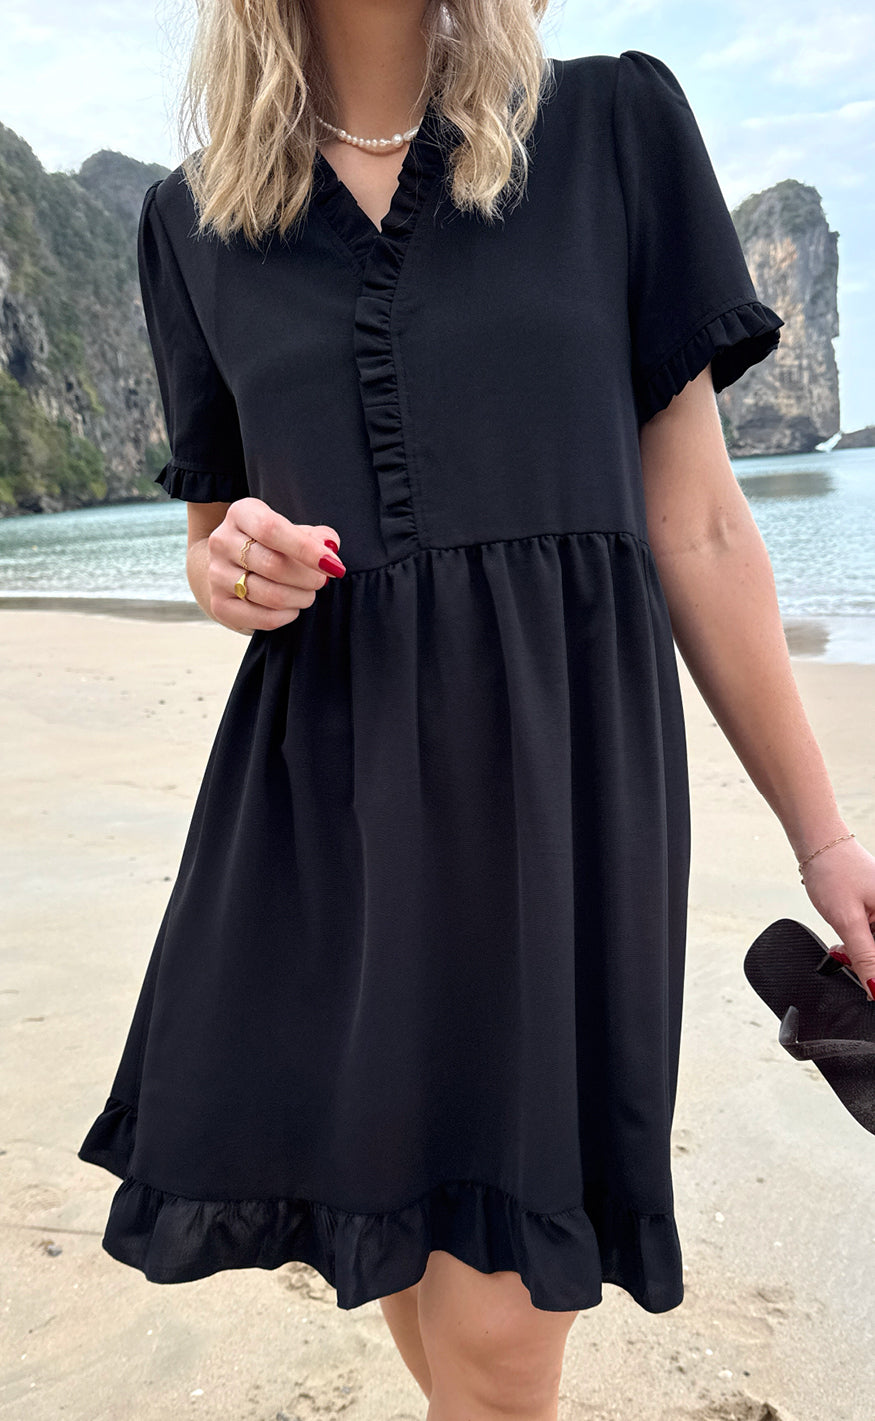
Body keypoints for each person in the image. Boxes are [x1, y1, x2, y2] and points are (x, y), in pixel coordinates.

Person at [78, 2, 875, 1418]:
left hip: (563, 802)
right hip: (334, 810)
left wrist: (825, 840)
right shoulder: (193, 223)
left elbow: (697, 522)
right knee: (419, 1270)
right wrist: (233, 568)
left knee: (500, 1338)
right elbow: (212, 534)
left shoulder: (615, 129)